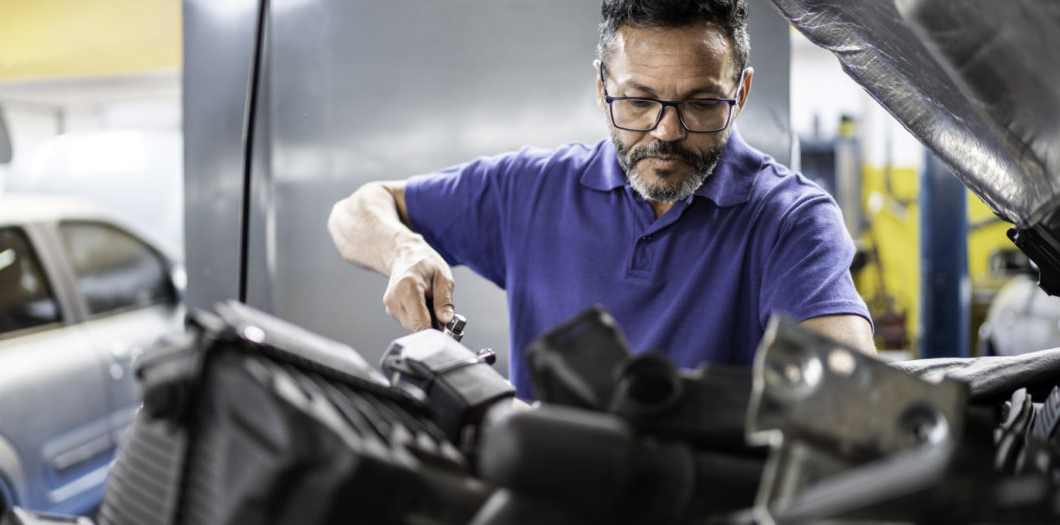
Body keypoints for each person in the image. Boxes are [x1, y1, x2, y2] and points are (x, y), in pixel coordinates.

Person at [328, 0, 875, 401]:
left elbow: (850, 393)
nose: (665, 132)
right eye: (638, 101)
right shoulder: (529, 191)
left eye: (702, 104)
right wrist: (403, 252)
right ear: (601, 86)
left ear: (742, 92)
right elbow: (356, 211)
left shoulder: (790, 221)